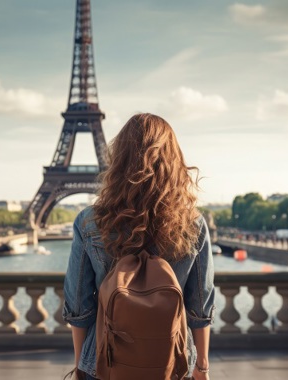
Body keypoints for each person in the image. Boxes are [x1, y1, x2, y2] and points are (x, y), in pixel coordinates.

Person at [63, 113, 215, 380]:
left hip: (104, 362)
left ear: (119, 160)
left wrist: (81, 365)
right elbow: (199, 306)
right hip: (171, 361)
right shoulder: (193, 223)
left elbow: (79, 307)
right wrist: (201, 366)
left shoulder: (89, 222)